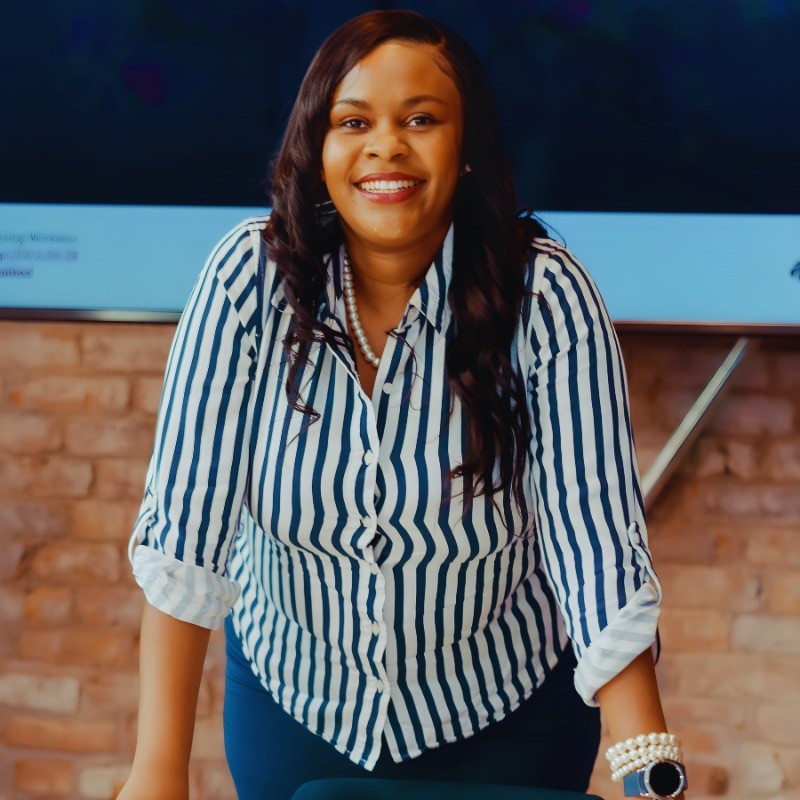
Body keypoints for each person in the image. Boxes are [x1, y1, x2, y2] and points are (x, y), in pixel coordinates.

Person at [119, 10, 687, 800]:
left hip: (506, 715)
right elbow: (185, 540)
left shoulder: (547, 294)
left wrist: (648, 773)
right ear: (319, 151)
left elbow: (596, 552)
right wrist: (157, 771)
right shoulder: (245, 280)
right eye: (354, 122)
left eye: (421, 118)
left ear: (467, 149)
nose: (386, 144)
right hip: (298, 708)